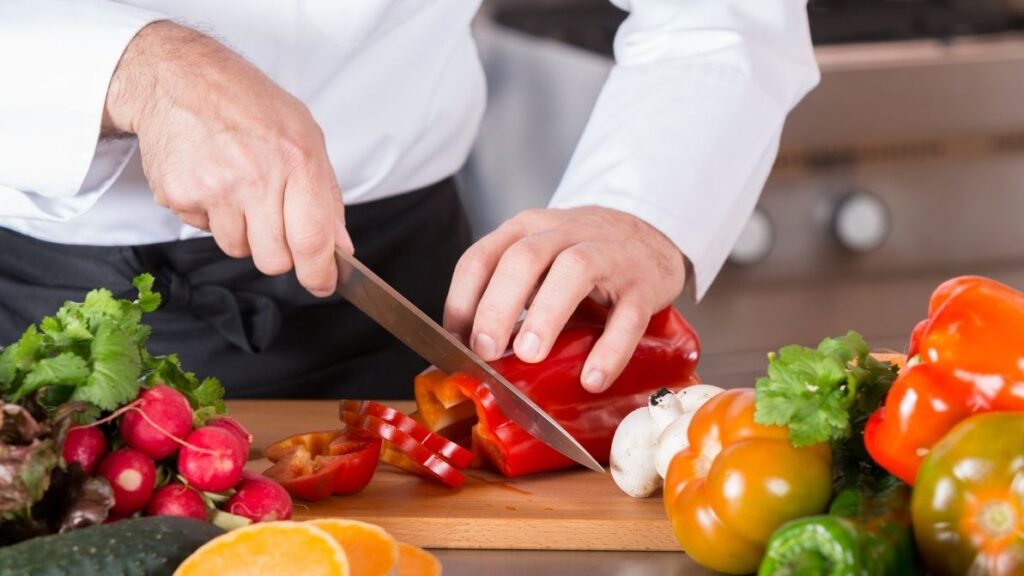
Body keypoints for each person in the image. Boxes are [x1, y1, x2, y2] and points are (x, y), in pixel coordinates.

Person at [0, 1, 819, 399]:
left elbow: (720, 14)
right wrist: (136, 69)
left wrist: (640, 204)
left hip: (396, 312)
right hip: (29, 318)